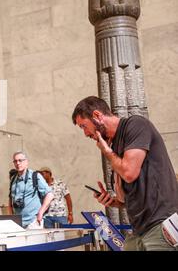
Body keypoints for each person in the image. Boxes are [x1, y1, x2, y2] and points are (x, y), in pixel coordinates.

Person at [72, 96, 178, 251]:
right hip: (138, 230)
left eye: (84, 126)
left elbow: (129, 173)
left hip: (160, 225)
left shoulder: (136, 125)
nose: (85, 133)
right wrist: (115, 202)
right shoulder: (114, 144)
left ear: (96, 115)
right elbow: (125, 194)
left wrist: (108, 152)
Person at [9, 151, 53, 229]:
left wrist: (41, 212)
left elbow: (49, 194)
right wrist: (11, 216)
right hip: (18, 223)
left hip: (33, 222)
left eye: (20, 160)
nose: (18, 163)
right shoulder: (13, 179)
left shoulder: (35, 176)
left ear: (26, 162)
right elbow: (10, 199)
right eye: (15, 161)